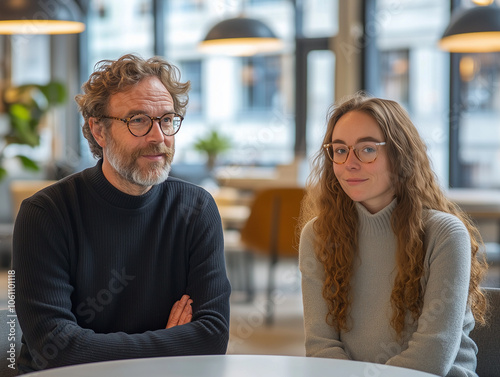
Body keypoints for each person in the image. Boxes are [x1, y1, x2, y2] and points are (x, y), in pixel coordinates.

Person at [12, 54, 231, 374]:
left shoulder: (196, 209)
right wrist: (171, 342)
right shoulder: (46, 214)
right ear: (99, 131)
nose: (159, 137)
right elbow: (55, 348)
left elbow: (211, 338)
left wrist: (100, 346)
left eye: (167, 119)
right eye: (138, 120)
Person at [298, 93, 488, 376]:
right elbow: (321, 347)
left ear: (400, 155)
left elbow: (431, 358)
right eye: (340, 150)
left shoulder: (445, 234)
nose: (349, 163)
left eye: (367, 149)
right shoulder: (317, 234)